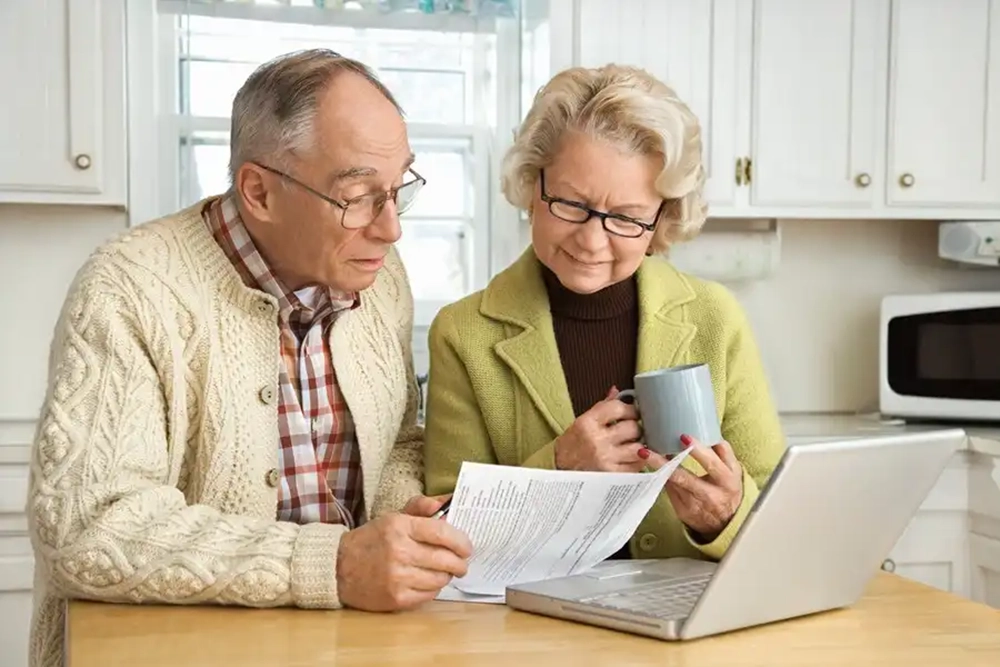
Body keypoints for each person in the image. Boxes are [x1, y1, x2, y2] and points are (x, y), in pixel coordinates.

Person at [26, 49, 471, 667]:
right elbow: (88, 530)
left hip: (348, 645)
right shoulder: (127, 288)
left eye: (398, 189)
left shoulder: (381, 276)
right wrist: (334, 565)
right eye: (357, 196)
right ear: (259, 192)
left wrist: (402, 521)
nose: (390, 229)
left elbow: (396, 440)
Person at [423, 64, 785, 563]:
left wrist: (725, 516)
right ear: (532, 187)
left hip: (686, 610)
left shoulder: (714, 318)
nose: (592, 241)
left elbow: (780, 515)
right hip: (529, 610)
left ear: (662, 219)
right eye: (571, 204)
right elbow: (444, 531)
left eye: (626, 218)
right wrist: (559, 467)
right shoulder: (463, 334)